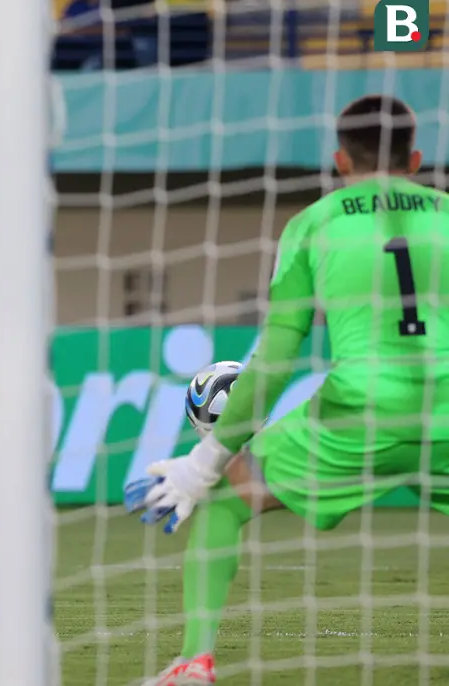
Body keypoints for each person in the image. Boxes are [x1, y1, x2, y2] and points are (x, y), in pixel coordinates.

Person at [125, 94, 449, 685]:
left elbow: (275, 358)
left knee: (224, 503)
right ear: (418, 158)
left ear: (340, 162)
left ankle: (195, 663)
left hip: (362, 409)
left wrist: (205, 463)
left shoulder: (314, 224)